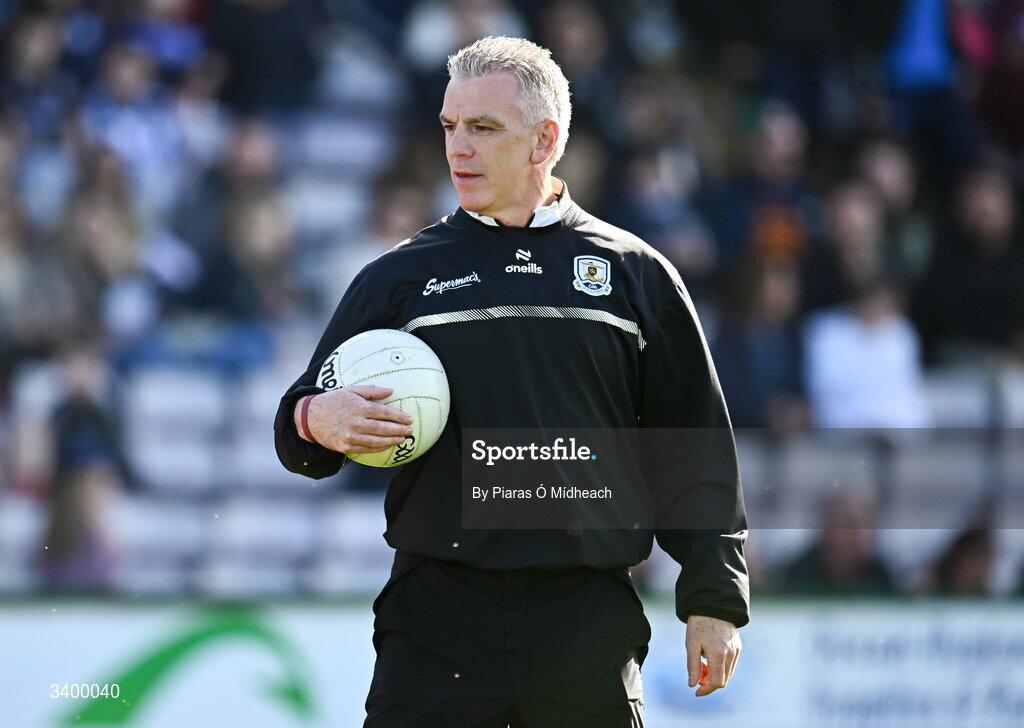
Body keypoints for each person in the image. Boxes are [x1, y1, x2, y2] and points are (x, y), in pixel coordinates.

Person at [274, 36, 748, 727]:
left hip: (586, 617)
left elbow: (694, 446)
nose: (458, 148)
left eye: (483, 128)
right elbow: (298, 425)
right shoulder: (399, 278)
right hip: (437, 616)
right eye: (449, 127)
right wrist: (316, 419)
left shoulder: (637, 275)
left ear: (544, 140)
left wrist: (713, 600)